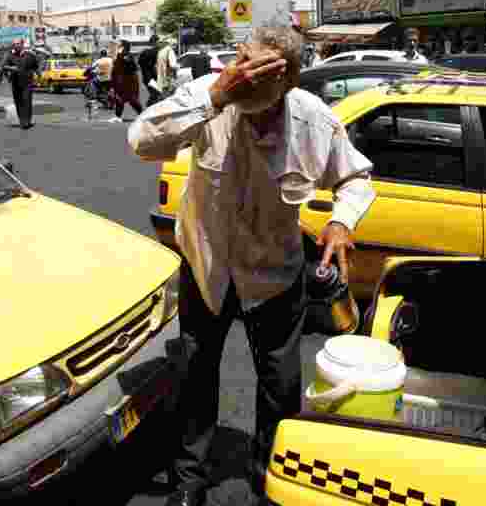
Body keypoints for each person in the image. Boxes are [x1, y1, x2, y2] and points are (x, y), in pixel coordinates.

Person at [128, 26, 376, 506]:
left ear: (287, 81)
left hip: (275, 276)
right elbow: (141, 141)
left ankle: (272, 474)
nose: (243, 80)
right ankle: (190, 480)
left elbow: (356, 177)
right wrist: (216, 95)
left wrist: (342, 222)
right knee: (195, 377)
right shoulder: (210, 96)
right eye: (240, 65)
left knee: (280, 387)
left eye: (258, 74)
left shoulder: (313, 120)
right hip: (208, 270)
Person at [111, 40, 143, 122]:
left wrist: (125, 59)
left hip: (128, 81)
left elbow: (133, 67)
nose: (118, 47)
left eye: (120, 45)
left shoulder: (126, 55)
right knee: (120, 99)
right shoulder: (121, 55)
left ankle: (142, 115)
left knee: (132, 99)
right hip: (122, 81)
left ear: (123, 47)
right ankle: (118, 117)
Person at [139, 35, 162, 106]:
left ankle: (150, 106)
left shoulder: (145, 52)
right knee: (156, 93)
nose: (159, 43)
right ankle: (149, 107)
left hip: (148, 78)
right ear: (155, 42)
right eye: (158, 42)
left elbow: (140, 63)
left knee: (156, 94)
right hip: (150, 78)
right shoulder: (153, 51)